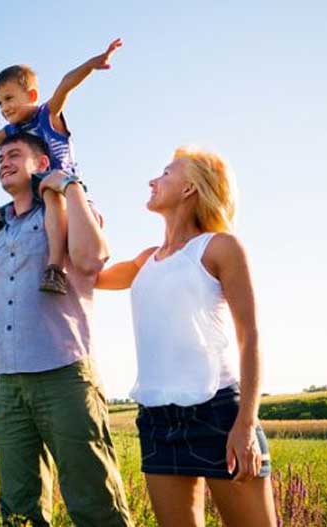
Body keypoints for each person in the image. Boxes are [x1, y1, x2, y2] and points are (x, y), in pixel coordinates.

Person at [0, 132, 133, 527]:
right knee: (18, 507)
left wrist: (70, 186)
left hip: (63, 374)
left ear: (41, 164)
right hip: (9, 382)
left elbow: (92, 258)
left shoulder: (63, 210)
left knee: (93, 499)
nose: (3, 163)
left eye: (13, 154)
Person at [96, 146, 277, 526]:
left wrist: (246, 422)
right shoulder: (146, 260)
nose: (152, 180)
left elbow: (251, 336)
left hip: (219, 412)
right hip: (158, 419)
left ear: (190, 188)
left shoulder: (220, 247)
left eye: (164, 173)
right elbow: (87, 275)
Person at [0, 38, 123, 316]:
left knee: (48, 190)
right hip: (31, 199)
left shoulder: (47, 115)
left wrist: (92, 64)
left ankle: (54, 267)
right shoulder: (11, 132)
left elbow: (66, 84)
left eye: (9, 99)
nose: (4, 108)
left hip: (60, 189)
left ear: (31, 95)